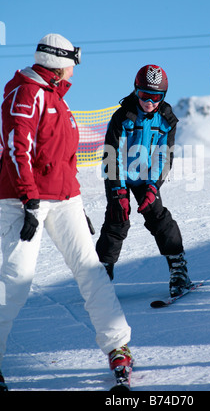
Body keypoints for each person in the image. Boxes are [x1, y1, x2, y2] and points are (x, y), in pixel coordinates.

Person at [0, 33, 132, 391]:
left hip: (63, 200)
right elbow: (17, 148)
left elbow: (65, 159)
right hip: (23, 201)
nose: (74, 72)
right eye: (71, 65)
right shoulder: (25, 93)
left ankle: (117, 345)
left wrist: (75, 201)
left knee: (91, 270)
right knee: (15, 279)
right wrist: (29, 200)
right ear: (58, 66)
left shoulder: (56, 99)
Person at [96, 64, 192, 296]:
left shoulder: (167, 119)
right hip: (119, 175)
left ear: (163, 96)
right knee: (117, 219)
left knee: (158, 217)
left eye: (156, 96)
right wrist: (118, 192)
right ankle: (101, 276)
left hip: (147, 177)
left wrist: (153, 186)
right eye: (144, 95)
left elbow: (163, 156)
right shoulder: (123, 116)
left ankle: (178, 269)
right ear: (136, 90)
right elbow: (112, 154)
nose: (149, 101)